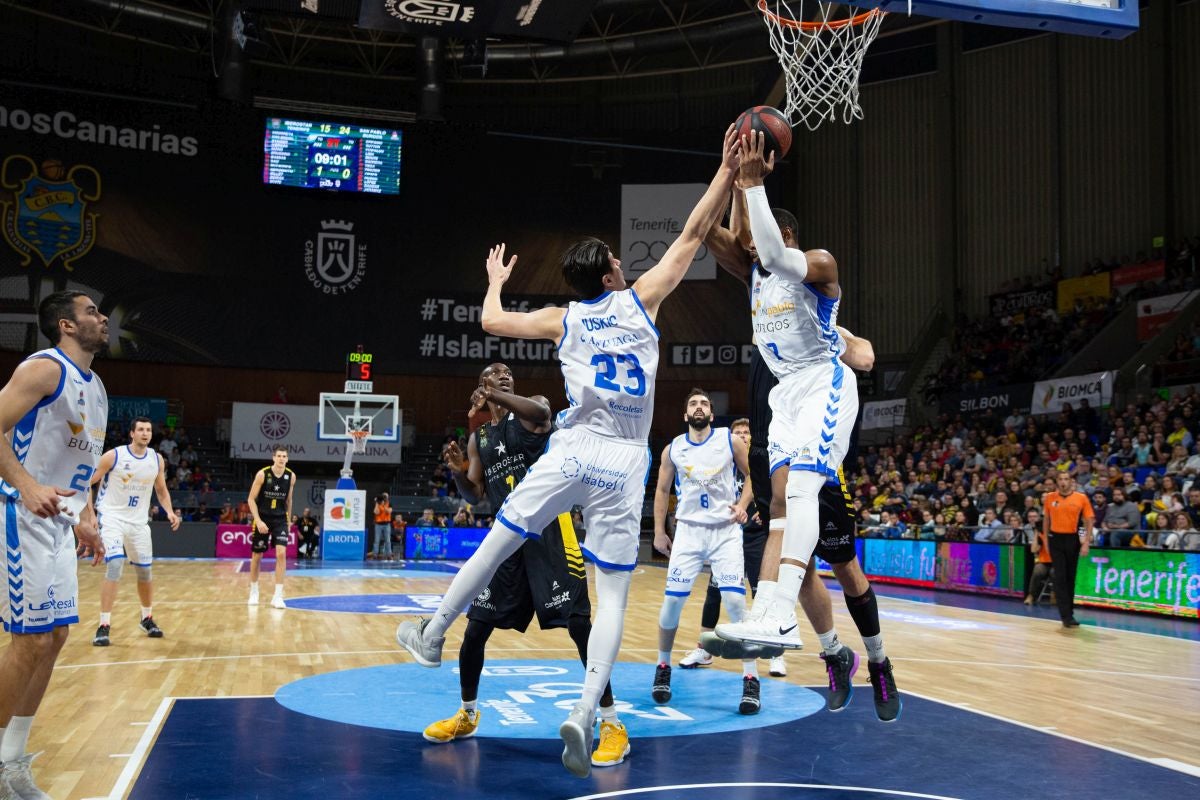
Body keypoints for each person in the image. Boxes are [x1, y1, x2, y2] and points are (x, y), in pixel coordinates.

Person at [396, 126, 742, 779]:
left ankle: (434, 630)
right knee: (609, 598)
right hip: (623, 460)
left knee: (498, 540)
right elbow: (695, 233)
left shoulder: (569, 318)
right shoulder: (643, 301)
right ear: (612, 271)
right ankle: (585, 714)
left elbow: (492, 323)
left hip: (572, 448)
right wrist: (726, 171)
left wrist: (496, 280)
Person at [700, 144, 900, 721]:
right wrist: (732, 176)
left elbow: (774, 258)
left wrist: (755, 187)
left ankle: (867, 655)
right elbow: (706, 232)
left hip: (822, 390)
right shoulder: (754, 278)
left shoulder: (814, 261)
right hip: (787, 401)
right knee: (787, 504)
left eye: (758, 239)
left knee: (840, 558)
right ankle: (806, 633)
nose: (747, 249)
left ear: (782, 236)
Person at [424, 363, 628, 767]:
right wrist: (458, 472)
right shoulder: (480, 437)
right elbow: (476, 493)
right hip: (508, 541)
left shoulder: (531, 408)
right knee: (476, 627)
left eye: (507, 374)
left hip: (552, 532)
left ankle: (611, 724)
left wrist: (493, 397)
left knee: (579, 625)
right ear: (481, 384)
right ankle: (467, 713)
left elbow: (541, 418)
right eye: (494, 374)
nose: (504, 375)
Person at [0, 291, 108, 798]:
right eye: (91, 312)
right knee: (31, 641)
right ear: (65, 324)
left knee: (57, 637)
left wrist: (85, 517)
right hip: (18, 514)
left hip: (60, 524)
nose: (102, 317)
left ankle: (12, 762)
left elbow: (82, 467)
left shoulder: (99, 388)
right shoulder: (45, 369)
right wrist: (25, 484)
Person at [651, 389, 758, 714]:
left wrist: (742, 505)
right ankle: (663, 666)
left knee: (737, 604)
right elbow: (662, 489)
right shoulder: (674, 448)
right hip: (689, 532)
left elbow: (753, 475)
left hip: (725, 532)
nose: (699, 407)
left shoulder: (730, 440)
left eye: (704, 404)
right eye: (693, 403)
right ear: (686, 415)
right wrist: (659, 531)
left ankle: (751, 679)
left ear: (712, 413)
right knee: (672, 604)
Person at [685, 418, 784, 678]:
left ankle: (775, 654)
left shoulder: (764, 463)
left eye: (746, 432)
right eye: (737, 432)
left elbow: (780, 494)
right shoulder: (724, 462)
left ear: (753, 437)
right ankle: (704, 650)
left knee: (762, 593)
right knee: (714, 593)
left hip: (756, 537)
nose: (741, 435)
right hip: (728, 537)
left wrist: (769, 513)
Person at [90, 416, 181, 646]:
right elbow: (86, 482)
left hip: (139, 522)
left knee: (145, 573)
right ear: (132, 433)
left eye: (148, 430)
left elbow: (161, 490)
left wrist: (169, 511)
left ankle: (146, 618)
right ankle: (103, 625)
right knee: (115, 565)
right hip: (111, 517)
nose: (145, 433)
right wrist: (89, 514)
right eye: (140, 429)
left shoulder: (156, 459)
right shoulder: (114, 456)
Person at [1041, 471, 1094, 628]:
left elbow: (1088, 521)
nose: (1063, 482)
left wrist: (1085, 543)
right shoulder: (1050, 497)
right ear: (1057, 482)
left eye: (1066, 479)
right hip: (1055, 539)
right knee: (1060, 577)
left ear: (1071, 482)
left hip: (1073, 539)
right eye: (1060, 479)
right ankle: (1065, 615)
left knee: (1071, 577)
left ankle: (1069, 612)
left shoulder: (1081, 498)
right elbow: (1046, 519)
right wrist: (1045, 540)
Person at [247, 445, 294, 609]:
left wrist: (288, 520)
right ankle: (254, 591)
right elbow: (251, 499)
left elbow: (289, 500)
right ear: (273, 457)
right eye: (279, 456)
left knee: (281, 554)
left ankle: (278, 596)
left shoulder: (291, 476)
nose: (282, 459)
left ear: (287, 459)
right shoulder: (262, 474)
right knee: (257, 556)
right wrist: (258, 521)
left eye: (284, 456)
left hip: (280, 519)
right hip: (263, 517)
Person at [373, 492, 393, 560]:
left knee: (387, 540)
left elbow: (389, 511)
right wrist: (377, 503)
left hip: (387, 524)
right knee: (377, 540)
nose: (384, 498)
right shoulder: (378, 503)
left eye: (386, 496)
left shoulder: (389, 504)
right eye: (383, 496)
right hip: (378, 524)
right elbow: (376, 512)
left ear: (388, 497)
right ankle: (375, 554)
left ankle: (389, 555)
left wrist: (384, 505)